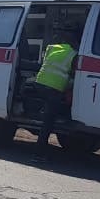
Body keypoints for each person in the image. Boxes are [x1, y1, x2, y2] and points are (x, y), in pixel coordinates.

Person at [33, 27, 81, 162]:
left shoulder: (52, 47)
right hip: (53, 89)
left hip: (39, 84)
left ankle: (42, 110)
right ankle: (38, 154)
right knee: (48, 124)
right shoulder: (74, 54)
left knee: (49, 111)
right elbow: (73, 75)